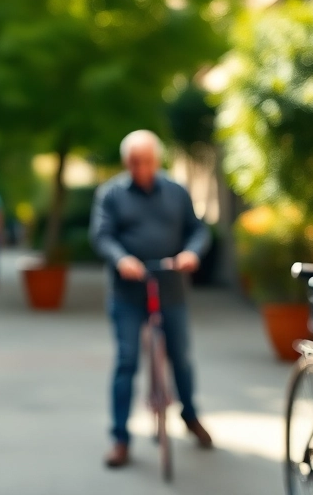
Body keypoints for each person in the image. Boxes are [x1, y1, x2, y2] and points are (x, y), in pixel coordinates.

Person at [90, 130, 214, 469]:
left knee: (182, 357)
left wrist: (191, 253)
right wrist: (121, 259)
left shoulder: (176, 191)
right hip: (127, 292)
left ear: (156, 161)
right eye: (133, 162)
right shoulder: (111, 193)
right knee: (126, 361)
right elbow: (101, 235)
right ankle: (119, 438)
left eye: (145, 161)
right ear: (125, 162)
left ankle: (189, 415)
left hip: (170, 288)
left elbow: (198, 230)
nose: (140, 168)